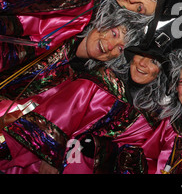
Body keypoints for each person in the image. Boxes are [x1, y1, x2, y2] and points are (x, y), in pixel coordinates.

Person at [0, 50, 168, 174]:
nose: (143, 63)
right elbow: (61, 111)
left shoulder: (150, 118)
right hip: (42, 161)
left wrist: (99, 148)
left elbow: (137, 158)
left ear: (161, 72)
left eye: (154, 62)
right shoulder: (100, 79)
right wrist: (49, 156)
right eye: (141, 54)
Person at [0, 0, 146, 102]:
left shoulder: (77, 83)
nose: (109, 46)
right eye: (114, 34)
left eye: (120, 49)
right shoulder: (59, 26)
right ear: (104, 21)